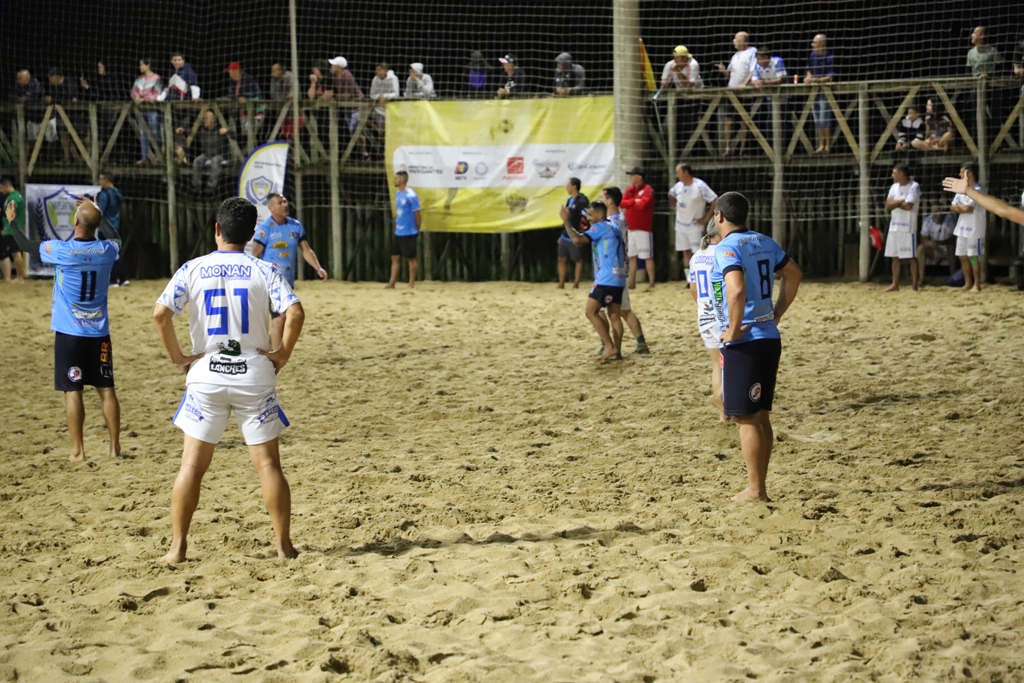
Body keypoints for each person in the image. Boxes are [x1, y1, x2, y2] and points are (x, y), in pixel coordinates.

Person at [154, 197, 304, 564]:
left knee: (191, 466)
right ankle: (283, 546)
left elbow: (160, 315)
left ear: (217, 230)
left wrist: (180, 359)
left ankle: (177, 548)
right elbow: (295, 312)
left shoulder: (192, 268)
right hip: (253, 373)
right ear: (253, 233)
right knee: (268, 465)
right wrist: (282, 353)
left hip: (206, 374)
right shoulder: (264, 269)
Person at [710, 192, 802, 501]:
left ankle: (755, 490)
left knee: (745, 419)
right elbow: (794, 273)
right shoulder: (763, 241)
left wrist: (733, 331)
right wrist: (776, 313)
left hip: (746, 342)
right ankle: (759, 486)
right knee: (761, 417)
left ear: (719, 215)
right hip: (769, 338)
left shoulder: (726, 249)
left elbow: (735, 291)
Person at [29, 200, 120, 461]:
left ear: (75, 222)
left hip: (70, 335)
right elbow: (117, 238)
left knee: (73, 390)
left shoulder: (62, 251)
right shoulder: (106, 250)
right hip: (99, 333)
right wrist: (101, 216)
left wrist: (12, 223)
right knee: (107, 390)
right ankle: (115, 449)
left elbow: (27, 246)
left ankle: (78, 451)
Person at [252, 193, 327, 347]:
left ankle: (270, 346)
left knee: (282, 319)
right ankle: (275, 356)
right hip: (271, 282)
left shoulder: (295, 226)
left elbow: (306, 249)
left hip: (287, 282)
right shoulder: (265, 229)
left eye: (285, 201)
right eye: (280, 202)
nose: (285, 204)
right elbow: (255, 255)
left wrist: (318, 267)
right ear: (271, 208)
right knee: (279, 319)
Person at [563, 200, 626, 362]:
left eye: (590, 215)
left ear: (600, 215)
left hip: (606, 278)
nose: (588, 219)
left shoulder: (599, 227)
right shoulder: (615, 227)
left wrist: (566, 221)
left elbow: (577, 241)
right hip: (619, 277)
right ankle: (617, 352)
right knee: (615, 316)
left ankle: (609, 346)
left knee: (590, 312)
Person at [603, 187, 649, 355]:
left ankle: (609, 346)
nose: (600, 200)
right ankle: (641, 344)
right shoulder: (618, 218)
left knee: (602, 310)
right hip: (618, 268)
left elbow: (611, 243)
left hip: (613, 270)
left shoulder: (613, 221)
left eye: (602, 197)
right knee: (623, 310)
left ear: (609, 201)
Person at [689, 220, 725, 421]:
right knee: (730, 363)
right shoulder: (724, 253)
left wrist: (704, 308)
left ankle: (722, 414)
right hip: (722, 315)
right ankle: (722, 399)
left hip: (704, 315)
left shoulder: (697, 256)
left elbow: (693, 290)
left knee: (716, 364)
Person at [668, 163, 718, 281]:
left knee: (699, 252)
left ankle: (703, 277)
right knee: (686, 252)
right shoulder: (678, 186)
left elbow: (714, 199)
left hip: (695, 225)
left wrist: (706, 218)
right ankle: (690, 280)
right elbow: (670, 194)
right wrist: (675, 207)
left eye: (678, 172)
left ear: (686, 172)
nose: (677, 175)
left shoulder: (700, 186)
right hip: (680, 225)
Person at [715, 32, 757, 155]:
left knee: (743, 120)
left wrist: (744, 84)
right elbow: (729, 74)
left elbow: (753, 70)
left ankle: (742, 149)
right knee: (728, 119)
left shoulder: (752, 51)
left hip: (743, 92)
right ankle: (728, 148)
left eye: (736, 39)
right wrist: (724, 71)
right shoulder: (735, 55)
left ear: (743, 40)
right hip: (731, 91)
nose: (733, 41)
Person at [884, 163, 922, 292]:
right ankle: (895, 284)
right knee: (894, 256)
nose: (892, 175)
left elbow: (909, 206)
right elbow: (888, 205)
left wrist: (895, 203)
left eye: (894, 173)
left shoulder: (914, 186)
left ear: (901, 174)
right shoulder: (894, 187)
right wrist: (900, 202)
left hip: (907, 226)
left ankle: (915, 285)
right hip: (894, 226)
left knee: (911, 256)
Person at [950, 162, 986, 292]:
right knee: (962, 256)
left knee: (973, 257)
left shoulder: (978, 190)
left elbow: (968, 208)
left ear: (969, 174)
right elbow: (953, 207)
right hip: (962, 228)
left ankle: (977, 284)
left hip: (974, 229)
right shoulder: (961, 190)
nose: (959, 175)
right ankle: (967, 283)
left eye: (961, 172)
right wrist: (960, 207)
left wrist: (960, 206)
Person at [620, 167, 655, 290]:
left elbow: (643, 205)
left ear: (639, 177)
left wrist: (632, 202)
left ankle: (651, 282)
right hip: (630, 227)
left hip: (643, 228)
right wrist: (634, 200)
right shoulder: (630, 190)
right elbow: (622, 203)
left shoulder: (648, 189)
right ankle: (632, 282)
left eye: (632, 175)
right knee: (631, 256)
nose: (630, 178)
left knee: (647, 256)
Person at [387, 170, 421, 289]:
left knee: (410, 258)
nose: (394, 180)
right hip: (399, 230)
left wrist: (417, 227)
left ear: (402, 180)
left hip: (409, 231)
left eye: (396, 178)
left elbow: (417, 213)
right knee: (395, 257)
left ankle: (411, 283)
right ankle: (392, 283)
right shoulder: (397, 194)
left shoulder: (411, 195)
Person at [187, 110, 231, 198]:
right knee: (197, 161)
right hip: (207, 154)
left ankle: (211, 187)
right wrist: (183, 131)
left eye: (206, 118)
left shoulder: (220, 130)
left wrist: (228, 132)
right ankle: (196, 186)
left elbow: (236, 137)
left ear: (213, 120)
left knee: (215, 161)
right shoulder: (202, 131)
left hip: (220, 155)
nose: (204, 120)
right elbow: (191, 134)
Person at [96, 172, 129, 287]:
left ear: (106, 180)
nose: (100, 182)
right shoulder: (117, 193)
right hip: (115, 226)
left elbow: (100, 211)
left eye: (101, 179)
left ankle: (113, 280)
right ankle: (123, 278)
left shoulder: (104, 194)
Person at [805, 34, 836, 154]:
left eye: (815, 43)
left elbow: (830, 77)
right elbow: (809, 69)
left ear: (822, 44)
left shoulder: (830, 57)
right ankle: (820, 144)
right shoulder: (812, 55)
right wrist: (808, 77)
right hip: (814, 93)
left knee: (825, 119)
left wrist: (814, 80)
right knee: (817, 120)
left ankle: (827, 144)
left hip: (825, 92)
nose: (812, 45)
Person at [557, 177, 589, 289]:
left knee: (578, 259)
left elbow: (584, 219)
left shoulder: (582, 201)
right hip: (566, 234)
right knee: (561, 258)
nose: (567, 187)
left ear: (574, 186)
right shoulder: (569, 200)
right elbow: (566, 219)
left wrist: (581, 235)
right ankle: (561, 283)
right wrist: (562, 234)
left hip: (575, 233)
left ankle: (576, 283)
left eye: (568, 185)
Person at [131, 58, 163, 164]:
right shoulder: (139, 79)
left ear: (148, 65)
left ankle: (159, 155)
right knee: (143, 133)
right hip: (141, 109)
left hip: (152, 109)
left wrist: (145, 99)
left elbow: (157, 93)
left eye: (141, 65)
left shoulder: (156, 78)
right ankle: (145, 157)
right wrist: (136, 98)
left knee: (155, 131)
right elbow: (134, 91)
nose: (140, 67)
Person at [45, 67, 81, 163]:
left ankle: (74, 158)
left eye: (50, 77)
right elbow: (50, 96)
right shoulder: (53, 85)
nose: (49, 79)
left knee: (71, 134)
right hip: (58, 113)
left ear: (57, 77)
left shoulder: (69, 82)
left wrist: (54, 99)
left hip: (72, 114)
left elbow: (70, 96)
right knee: (56, 133)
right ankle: (59, 158)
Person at [918, 202, 956, 277]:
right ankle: (921, 278)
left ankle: (953, 277)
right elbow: (923, 237)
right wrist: (928, 243)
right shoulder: (928, 220)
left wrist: (939, 243)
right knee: (920, 249)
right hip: (934, 249)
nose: (935, 214)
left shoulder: (949, 219)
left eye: (937, 211)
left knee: (951, 248)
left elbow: (952, 239)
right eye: (933, 212)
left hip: (947, 249)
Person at [223, 62, 263, 134]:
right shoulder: (234, 82)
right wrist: (237, 98)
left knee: (250, 133)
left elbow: (251, 95)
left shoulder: (248, 80)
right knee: (245, 135)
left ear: (235, 72)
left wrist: (243, 98)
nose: (229, 75)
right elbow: (231, 94)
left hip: (255, 113)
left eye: (230, 72)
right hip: (243, 114)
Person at [1, 176, 27, 283]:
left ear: (6, 186)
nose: (1, 191)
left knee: (16, 253)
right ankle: (20, 276)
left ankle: (20, 277)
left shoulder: (13, 198)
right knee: (16, 253)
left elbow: (11, 213)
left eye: (1, 188)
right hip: (15, 228)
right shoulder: (17, 196)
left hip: (12, 229)